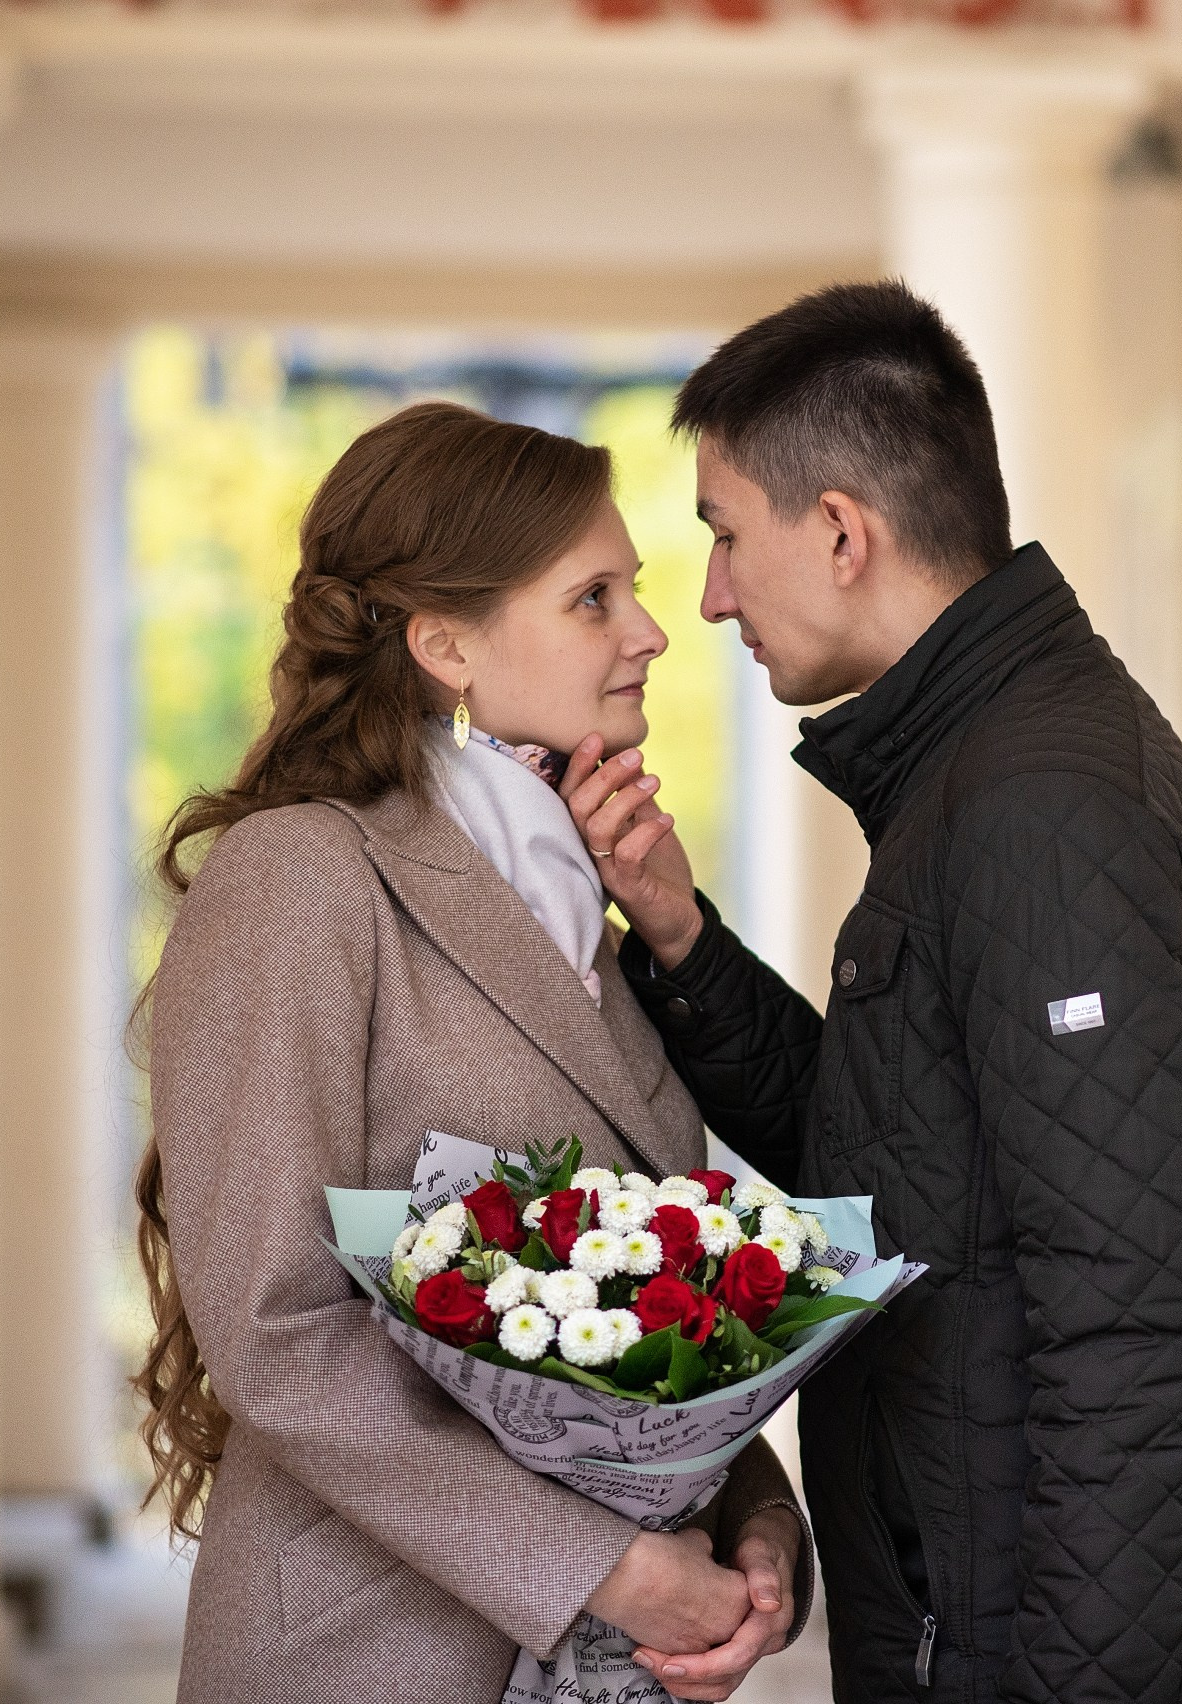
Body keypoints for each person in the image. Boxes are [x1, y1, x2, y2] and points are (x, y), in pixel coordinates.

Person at [560, 283, 1182, 1703]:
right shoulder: (982, 780)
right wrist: (683, 941)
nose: (704, 598)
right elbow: (912, 1164)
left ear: (840, 533)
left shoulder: (1044, 809)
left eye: (720, 536)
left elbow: (1148, 1322)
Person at [133, 401, 811, 1704]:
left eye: (639, 591)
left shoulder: (584, 921)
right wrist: (600, 1565)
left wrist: (753, 1531)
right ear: (445, 645)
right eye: (593, 599)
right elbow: (273, 1332)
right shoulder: (299, 881)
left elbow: (658, 1317)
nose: (653, 632)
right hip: (365, 1657)